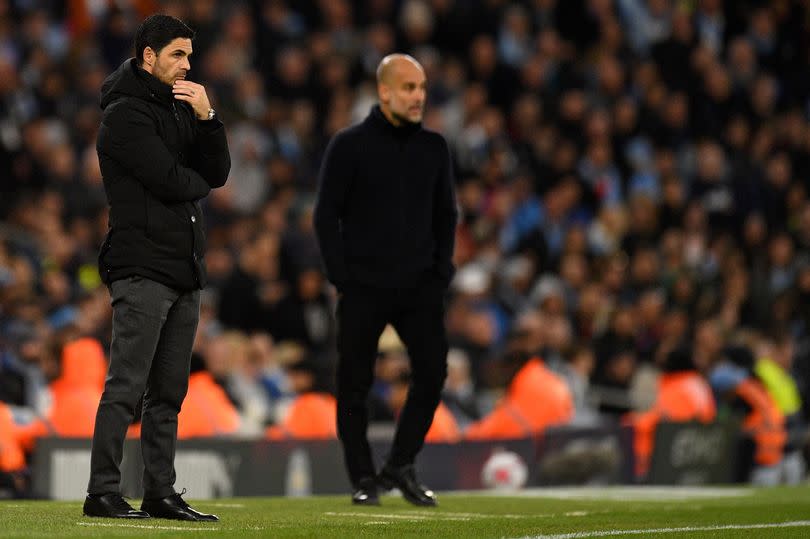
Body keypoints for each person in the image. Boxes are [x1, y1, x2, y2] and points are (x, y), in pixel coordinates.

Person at [83, 14, 229, 521]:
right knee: (126, 385)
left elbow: (218, 172)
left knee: (168, 392)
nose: (187, 65)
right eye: (177, 55)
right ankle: (102, 491)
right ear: (149, 56)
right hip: (141, 266)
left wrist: (210, 120)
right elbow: (174, 181)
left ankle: (159, 492)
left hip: (182, 267)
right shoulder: (124, 115)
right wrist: (198, 178)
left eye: (190, 55)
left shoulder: (183, 107)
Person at [313, 53, 457, 506]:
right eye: (409, 87)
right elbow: (324, 216)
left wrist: (441, 272)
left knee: (432, 373)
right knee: (353, 383)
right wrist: (342, 278)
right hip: (364, 287)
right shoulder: (349, 145)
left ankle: (400, 464)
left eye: (422, 88)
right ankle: (362, 478)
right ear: (385, 91)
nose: (418, 96)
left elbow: (446, 215)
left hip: (419, 288)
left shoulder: (435, 148)